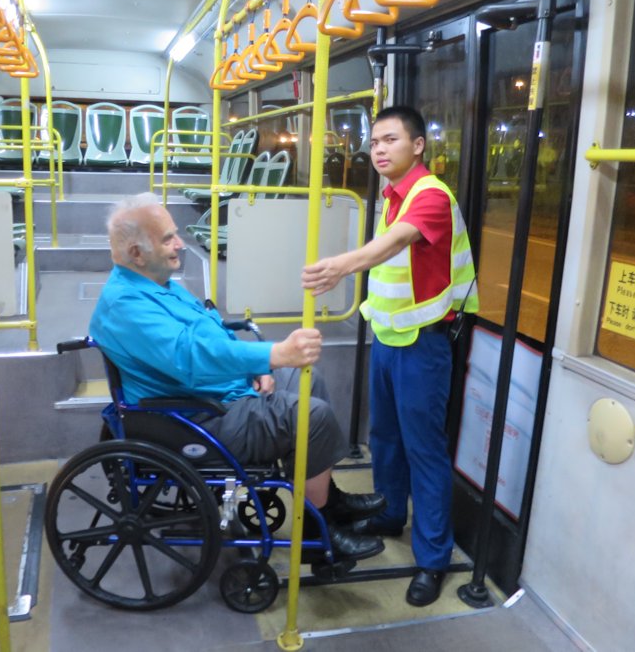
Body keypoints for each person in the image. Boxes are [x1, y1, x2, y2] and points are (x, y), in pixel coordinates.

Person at [89, 192, 387, 564]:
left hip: (218, 393)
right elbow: (192, 355)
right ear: (136, 253)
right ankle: (318, 528)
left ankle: (327, 499)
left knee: (309, 378)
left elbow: (210, 330)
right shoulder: (127, 306)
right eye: (167, 238)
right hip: (198, 416)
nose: (179, 243)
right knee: (313, 416)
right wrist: (272, 354)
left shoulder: (157, 285)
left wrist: (257, 367)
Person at [302, 106, 479, 606]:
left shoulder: (430, 196)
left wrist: (339, 266)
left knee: (424, 448)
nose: (379, 149)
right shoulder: (391, 194)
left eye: (391, 140)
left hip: (423, 343)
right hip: (387, 334)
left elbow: (392, 246)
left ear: (418, 145)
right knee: (383, 436)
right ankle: (388, 514)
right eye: (375, 141)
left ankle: (432, 558)